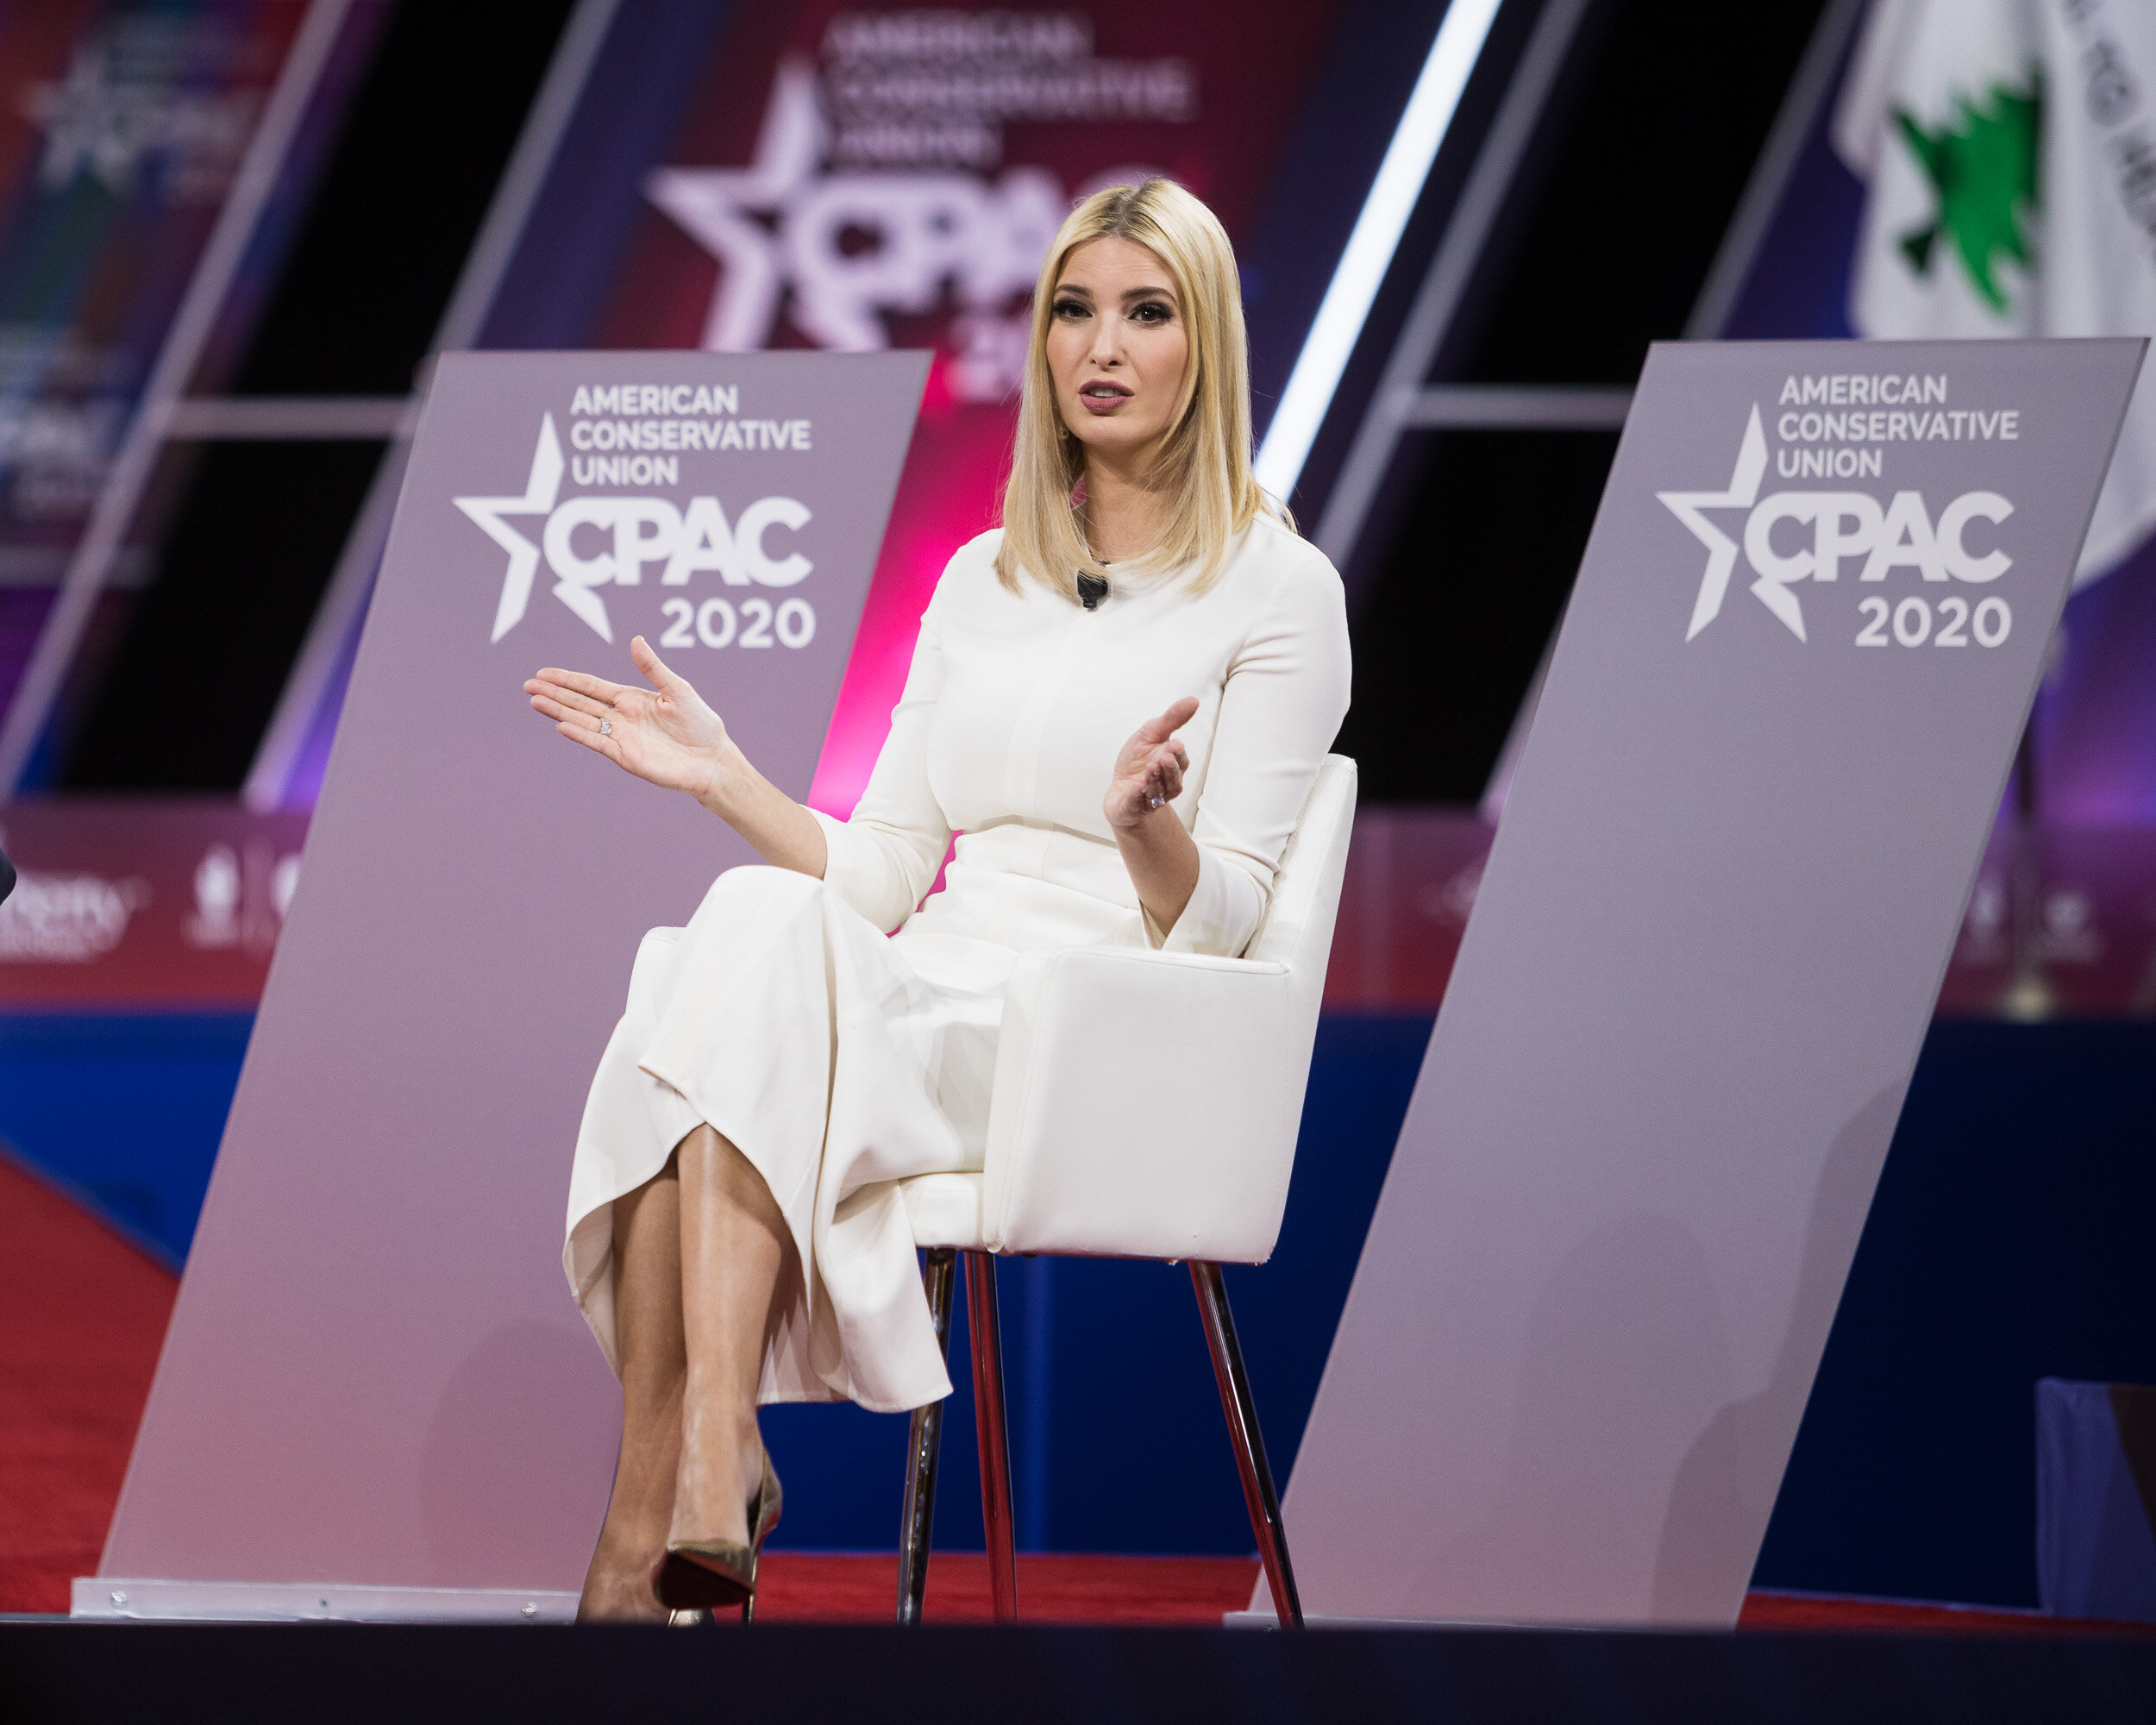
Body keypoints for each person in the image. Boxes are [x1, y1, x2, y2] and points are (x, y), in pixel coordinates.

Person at [525, 179, 1351, 1622]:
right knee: (735, 929)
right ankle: (705, 1465)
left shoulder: (1281, 591)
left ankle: (658, 1503)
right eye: (1073, 312)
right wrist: (724, 776)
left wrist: (1143, 827)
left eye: (1145, 314)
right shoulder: (983, 577)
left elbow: (1225, 931)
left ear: (1204, 344)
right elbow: (889, 868)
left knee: (704, 989)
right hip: (940, 992)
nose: (1102, 346)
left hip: (1102, 1032)